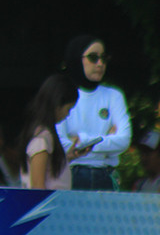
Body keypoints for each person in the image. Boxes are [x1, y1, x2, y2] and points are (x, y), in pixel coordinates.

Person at [56, 34, 132, 190]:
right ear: (77, 58)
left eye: (104, 58)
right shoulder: (63, 94)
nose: (100, 64)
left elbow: (124, 139)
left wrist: (81, 140)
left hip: (106, 175)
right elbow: (60, 143)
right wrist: (107, 140)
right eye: (93, 57)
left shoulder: (113, 95)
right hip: (72, 174)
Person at [18, 74, 88, 190]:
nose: (68, 115)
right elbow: (38, 187)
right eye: (68, 109)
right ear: (57, 105)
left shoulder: (44, 135)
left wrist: (68, 157)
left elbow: (50, 171)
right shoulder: (41, 139)